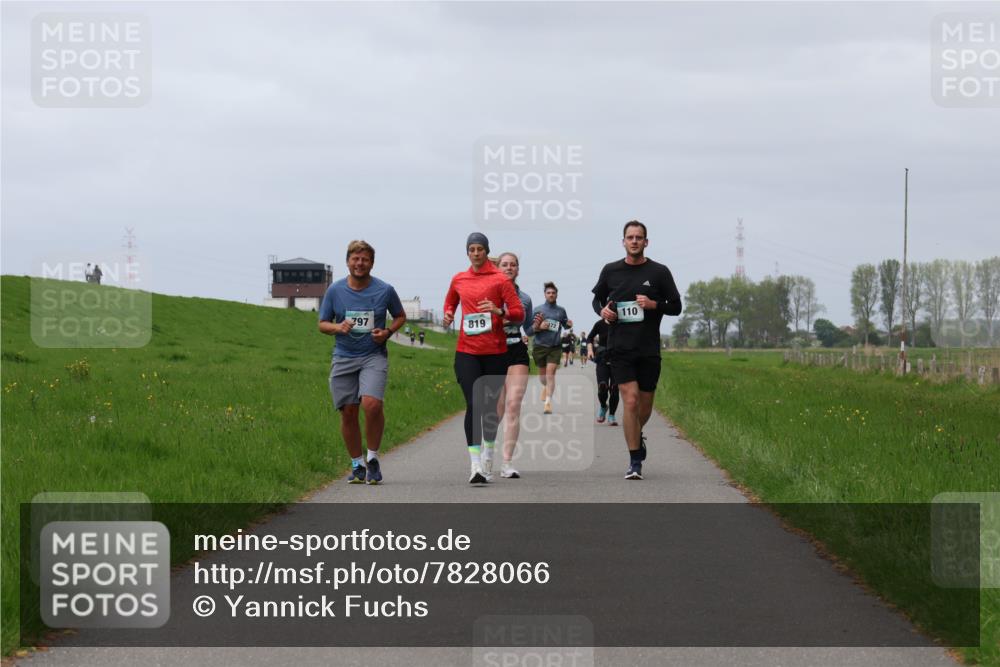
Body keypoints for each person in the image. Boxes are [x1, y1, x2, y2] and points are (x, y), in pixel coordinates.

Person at [591, 221, 682, 480]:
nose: (634, 241)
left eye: (638, 237)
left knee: (644, 406)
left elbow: (676, 306)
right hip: (620, 348)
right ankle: (634, 461)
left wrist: (654, 304)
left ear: (646, 242)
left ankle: (636, 436)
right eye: (630, 237)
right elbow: (597, 298)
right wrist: (602, 311)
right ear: (623, 242)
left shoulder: (660, 272)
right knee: (629, 400)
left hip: (648, 348)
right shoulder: (611, 270)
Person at [319, 240, 406, 485]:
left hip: (373, 355)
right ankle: (357, 464)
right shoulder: (335, 291)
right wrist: (338, 326)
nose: (360, 263)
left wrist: (388, 332)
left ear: (372, 263)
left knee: (372, 404)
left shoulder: (384, 290)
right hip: (344, 356)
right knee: (348, 411)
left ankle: (373, 459)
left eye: (365, 259)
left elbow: (400, 316)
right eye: (355, 259)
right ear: (347, 261)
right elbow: (322, 323)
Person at [443, 233, 524, 484]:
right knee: (474, 404)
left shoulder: (500, 280)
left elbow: (518, 314)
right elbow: (450, 302)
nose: (475, 253)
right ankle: (475, 465)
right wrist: (447, 315)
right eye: (471, 249)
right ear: (467, 252)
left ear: (487, 252)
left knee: (489, 409)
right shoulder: (459, 279)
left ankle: (489, 451)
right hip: (467, 351)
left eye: (479, 249)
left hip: (496, 353)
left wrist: (499, 311)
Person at [494, 252, 534, 480]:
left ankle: (507, 462)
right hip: (494, 350)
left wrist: (534, 327)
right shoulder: (488, 293)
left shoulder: (525, 298)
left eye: (513, 265)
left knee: (513, 404)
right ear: (498, 268)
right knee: (496, 409)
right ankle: (487, 452)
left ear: (518, 269)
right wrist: (503, 318)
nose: (509, 268)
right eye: (505, 264)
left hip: (516, 350)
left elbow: (526, 329)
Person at [530, 282, 572, 415]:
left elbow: (565, 325)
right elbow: (531, 329)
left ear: (557, 294)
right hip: (540, 345)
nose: (551, 295)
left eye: (553, 293)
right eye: (548, 293)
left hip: (555, 346)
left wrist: (569, 324)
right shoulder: (538, 309)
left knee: (550, 372)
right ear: (544, 294)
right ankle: (546, 387)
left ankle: (548, 403)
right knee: (543, 377)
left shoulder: (561, 310)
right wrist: (539, 326)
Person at [587, 319, 619, 426]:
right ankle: (603, 406)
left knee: (615, 388)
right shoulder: (599, 324)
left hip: (617, 359)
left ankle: (612, 415)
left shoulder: (622, 322)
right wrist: (590, 350)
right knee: (602, 386)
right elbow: (589, 338)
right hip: (602, 359)